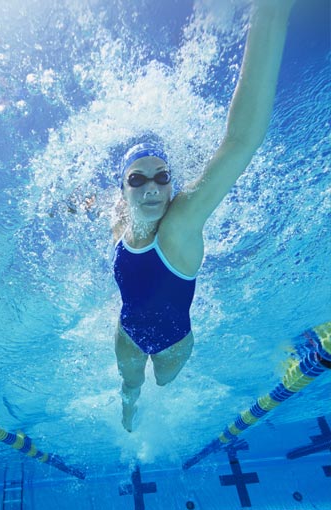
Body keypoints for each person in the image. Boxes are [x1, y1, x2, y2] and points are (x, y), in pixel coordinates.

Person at [112, 0, 296, 432]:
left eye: (162, 177)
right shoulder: (119, 220)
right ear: (123, 190)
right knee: (131, 383)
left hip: (175, 344)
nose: (152, 186)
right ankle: (128, 407)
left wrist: (270, 15)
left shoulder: (179, 226)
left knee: (163, 382)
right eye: (138, 180)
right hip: (126, 336)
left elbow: (240, 141)